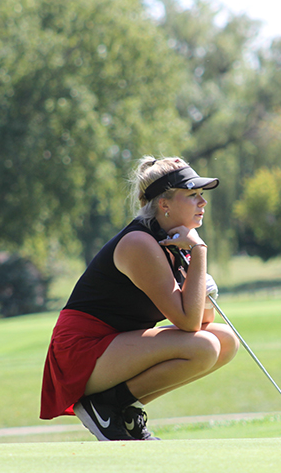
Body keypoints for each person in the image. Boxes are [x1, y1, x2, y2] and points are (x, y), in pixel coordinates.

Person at [40, 156, 240, 441]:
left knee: (226, 342)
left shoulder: (172, 240)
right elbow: (188, 323)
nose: (202, 202)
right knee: (204, 346)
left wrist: (203, 287)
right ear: (164, 204)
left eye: (202, 195)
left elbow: (202, 318)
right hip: (82, 349)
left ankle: (124, 408)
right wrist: (200, 252)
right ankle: (106, 406)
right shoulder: (139, 243)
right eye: (193, 195)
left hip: (118, 346)